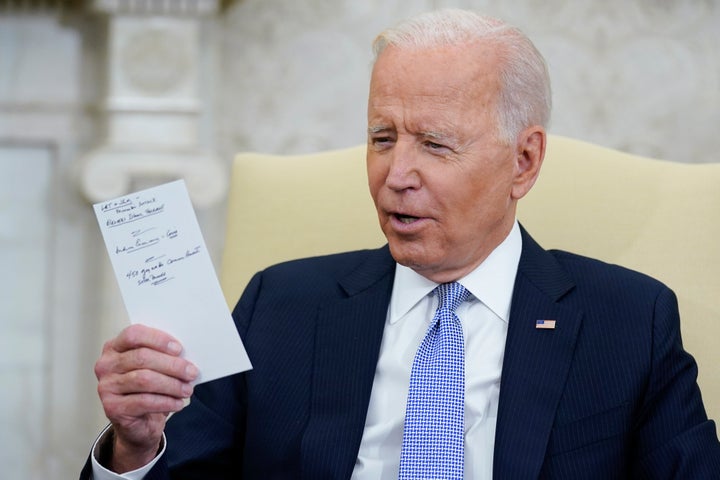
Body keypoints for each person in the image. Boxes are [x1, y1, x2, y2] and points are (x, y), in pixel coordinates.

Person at [81, 8, 720, 480]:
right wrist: (134, 448)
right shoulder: (279, 305)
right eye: (383, 138)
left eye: (436, 144)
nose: (396, 174)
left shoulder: (628, 320)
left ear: (523, 162)